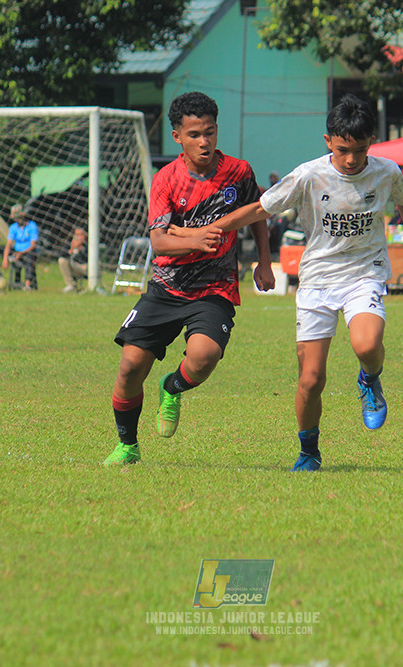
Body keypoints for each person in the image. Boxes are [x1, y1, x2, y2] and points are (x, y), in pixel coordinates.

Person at [200, 93, 403, 472]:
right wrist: (216, 226)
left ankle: (369, 380)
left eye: (360, 150)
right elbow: (263, 207)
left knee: (367, 342)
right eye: (343, 150)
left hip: (365, 272)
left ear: (371, 142)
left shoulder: (386, 171)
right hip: (317, 281)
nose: (352, 160)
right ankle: (309, 451)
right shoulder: (310, 175)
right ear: (328, 141)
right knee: (311, 379)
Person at [103, 91, 275, 466]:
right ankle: (127, 445)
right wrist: (195, 238)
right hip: (166, 287)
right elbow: (159, 238)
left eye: (210, 132)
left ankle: (173, 386)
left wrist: (264, 261)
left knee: (204, 356)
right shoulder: (166, 179)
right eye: (195, 134)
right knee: (131, 365)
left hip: (216, 288)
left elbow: (256, 213)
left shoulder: (238, 172)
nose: (205, 142)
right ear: (177, 136)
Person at [2, 204, 39, 290]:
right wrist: (5, 258)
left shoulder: (32, 226)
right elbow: (8, 244)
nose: (16, 220)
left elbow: (33, 245)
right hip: (16, 250)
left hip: (27, 252)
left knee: (29, 258)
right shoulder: (13, 227)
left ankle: (27, 284)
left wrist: (20, 253)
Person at [59, 226, 88, 293]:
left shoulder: (89, 245)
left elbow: (86, 259)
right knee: (62, 260)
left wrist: (80, 248)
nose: (78, 237)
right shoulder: (70, 243)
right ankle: (71, 285)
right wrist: (72, 249)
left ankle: (91, 287)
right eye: (76, 235)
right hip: (74, 266)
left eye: (80, 235)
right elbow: (62, 254)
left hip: (84, 267)